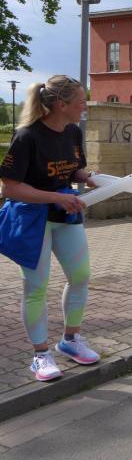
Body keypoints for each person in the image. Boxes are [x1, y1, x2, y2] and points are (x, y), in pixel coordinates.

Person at [0, 76, 100, 381]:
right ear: (61, 104)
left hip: (64, 216)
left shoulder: (72, 131)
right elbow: (10, 188)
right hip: (33, 220)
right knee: (36, 288)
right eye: (81, 102)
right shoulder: (27, 136)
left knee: (80, 276)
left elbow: (73, 169)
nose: (85, 107)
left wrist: (88, 176)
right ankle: (40, 355)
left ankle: (70, 340)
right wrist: (56, 197)